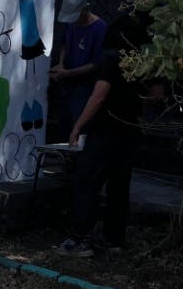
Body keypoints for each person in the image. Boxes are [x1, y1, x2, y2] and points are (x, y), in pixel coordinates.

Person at [56, 14, 146, 258]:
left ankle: (80, 239)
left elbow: (98, 96)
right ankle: (113, 239)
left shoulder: (111, 59)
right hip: (130, 130)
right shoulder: (144, 62)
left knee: (87, 182)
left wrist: (78, 125)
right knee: (119, 187)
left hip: (105, 130)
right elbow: (157, 93)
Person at [50, 0, 108, 137]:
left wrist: (69, 73)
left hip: (86, 86)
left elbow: (96, 64)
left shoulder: (100, 29)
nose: (73, 22)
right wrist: (61, 64)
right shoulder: (71, 25)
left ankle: (75, 157)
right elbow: (64, 44)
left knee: (79, 125)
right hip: (68, 83)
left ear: (85, 10)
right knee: (62, 122)